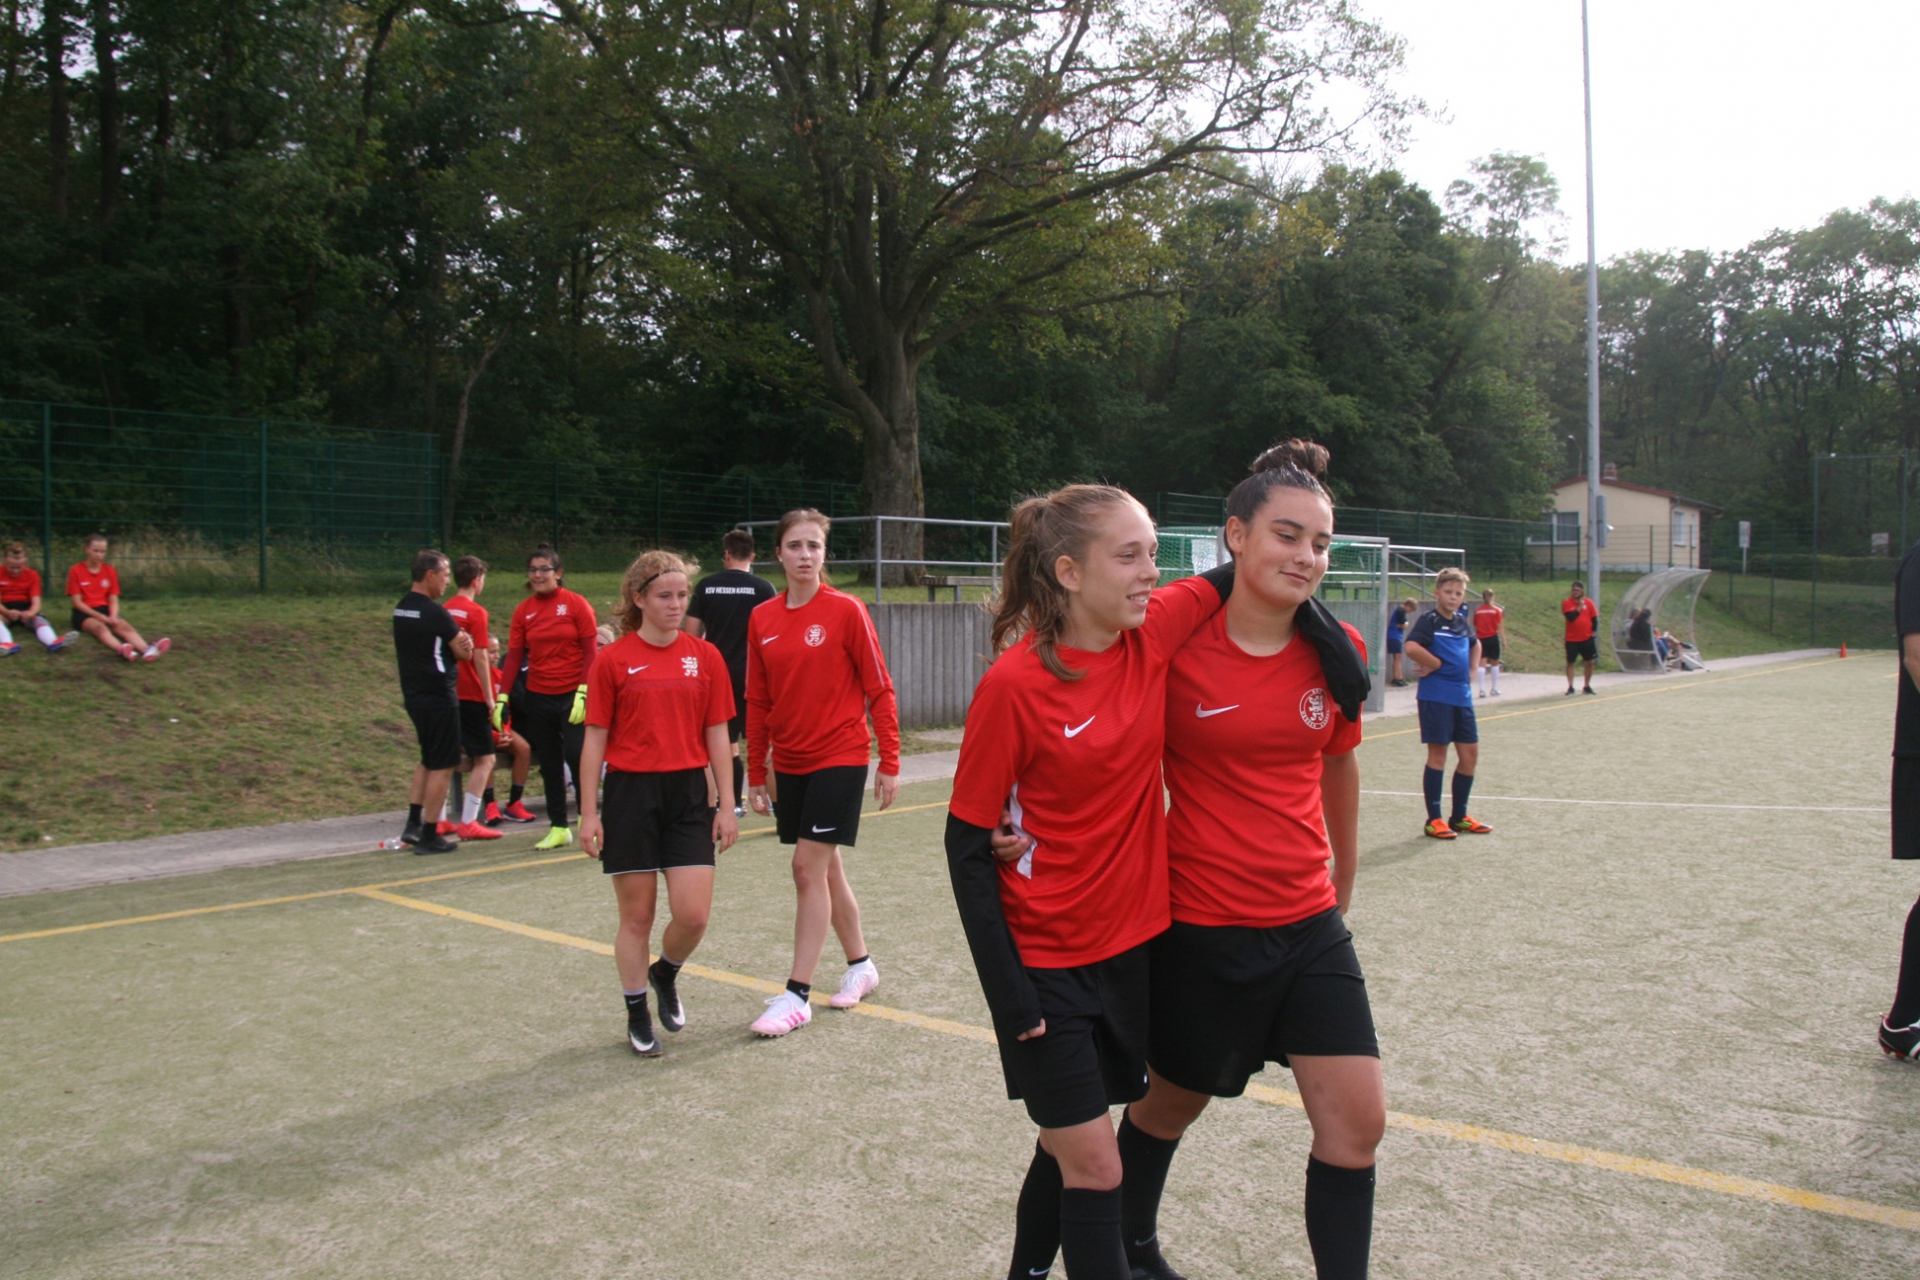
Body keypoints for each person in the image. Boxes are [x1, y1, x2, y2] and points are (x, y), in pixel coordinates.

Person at [944, 485, 1247, 1280]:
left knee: (1066, 1145)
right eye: (1130, 556)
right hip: (1044, 971)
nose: (1153, 572)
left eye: (1154, 553)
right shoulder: (1015, 686)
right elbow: (966, 848)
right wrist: (1011, 999)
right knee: (1096, 1165)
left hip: (1131, 955)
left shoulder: (1153, 634)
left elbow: (1251, 563)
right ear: (1070, 573)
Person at [743, 509, 900, 1036]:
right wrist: (756, 769)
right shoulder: (762, 619)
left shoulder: (846, 610)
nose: (805, 555)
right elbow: (758, 699)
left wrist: (890, 760)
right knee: (827, 869)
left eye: (814, 545)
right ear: (778, 553)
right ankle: (862, 965)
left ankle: (797, 996)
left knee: (806, 869)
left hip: (841, 755)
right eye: (795, 545)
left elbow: (879, 687)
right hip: (790, 762)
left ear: (824, 553)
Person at [579, 550, 740, 1057]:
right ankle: (636, 1012)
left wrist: (727, 803)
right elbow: (595, 739)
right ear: (639, 598)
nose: (675, 605)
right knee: (638, 917)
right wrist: (589, 812)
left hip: (689, 794)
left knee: (693, 916)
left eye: (682, 595)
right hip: (631, 795)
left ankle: (664, 973)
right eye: (664, 596)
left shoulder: (705, 657)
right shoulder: (613, 660)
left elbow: (718, 733)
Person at [502, 544, 598, 851]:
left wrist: (584, 690)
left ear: (558, 573)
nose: (538, 575)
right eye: (533, 570)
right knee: (550, 762)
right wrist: (503, 696)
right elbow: (514, 656)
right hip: (538, 695)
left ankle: (586, 817)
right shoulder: (524, 611)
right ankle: (558, 827)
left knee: (576, 754)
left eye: (544, 569)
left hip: (572, 694)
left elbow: (590, 651)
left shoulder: (576, 604)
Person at [684, 528, 779, 816]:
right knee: (768, 744)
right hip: (753, 677)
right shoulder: (763, 589)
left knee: (725, 745)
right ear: (753, 556)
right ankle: (781, 807)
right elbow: (776, 634)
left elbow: (691, 634)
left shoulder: (706, 586)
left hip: (716, 677)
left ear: (726, 554)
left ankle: (732, 805)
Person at [392, 549, 475, 855]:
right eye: (444, 575)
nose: (447, 581)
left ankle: (413, 823)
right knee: (444, 764)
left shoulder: (401, 609)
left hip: (414, 696)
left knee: (428, 759)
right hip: (439, 697)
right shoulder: (436, 613)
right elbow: (464, 652)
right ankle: (430, 833)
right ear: (430, 575)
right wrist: (464, 643)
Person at [1403, 566, 1491, 840]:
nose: (1453, 597)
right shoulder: (1429, 621)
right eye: (1449, 591)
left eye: (1459, 593)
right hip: (1436, 697)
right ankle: (1434, 820)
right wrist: (1436, 663)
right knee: (1438, 756)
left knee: (1470, 756)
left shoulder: (1461, 622)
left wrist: (1473, 671)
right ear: (1437, 593)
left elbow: (1476, 644)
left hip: (1462, 699)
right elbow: (1411, 647)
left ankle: (1460, 817)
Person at [440, 557, 502, 842]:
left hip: (447, 691)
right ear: (477, 580)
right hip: (470, 693)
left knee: (444, 757)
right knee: (485, 759)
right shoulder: (476, 612)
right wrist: (489, 696)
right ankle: (468, 821)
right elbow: (480, 655)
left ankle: (438, 818)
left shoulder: (443, 609)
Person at [67, 534, 169, 662]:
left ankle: (147, 650)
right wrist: (100, 617)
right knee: (100, 628)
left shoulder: (110, 571)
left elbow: (113, 599)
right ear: (86, 549)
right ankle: (122, 649)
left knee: (124, 626)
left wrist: (113, 615)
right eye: (95, 551)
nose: (99, 555)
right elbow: (77, 603)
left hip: (105, 609)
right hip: (84, 613)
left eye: (102, 551)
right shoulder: (76, 570)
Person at [0, 541, 74, 654]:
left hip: (26, 608)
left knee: (39, 620)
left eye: (19, 567)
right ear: (5, 561)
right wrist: (7, 612)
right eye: (11, 567)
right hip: (5, 609)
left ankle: (53, 642)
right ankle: (6, 644)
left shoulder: (33, 575)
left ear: (25, 562)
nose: (15, 571)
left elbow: (36, 602)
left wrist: (30, 613)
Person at [1562, 580, 1599, 695]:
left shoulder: (1589, 602)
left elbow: (1594, 618)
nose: (1575, 592)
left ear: (1582, 591)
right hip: (1572, 639)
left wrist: (1593, 631)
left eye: (1577, 590)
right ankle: (1570, 686)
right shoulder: (1567, 603)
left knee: (1590, 662)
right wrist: (1579, 607)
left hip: (1586, 638)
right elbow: (1571, 617)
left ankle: (1587, 686)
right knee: (1570, 662)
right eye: (1573, 590)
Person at [1472, 588, 1506, 697]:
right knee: (1495, 663)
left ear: (1482, 598)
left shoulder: (1478, 611)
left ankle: (1482, 690)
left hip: (1481, 638)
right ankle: (1494, 689)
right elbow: (1499, 627)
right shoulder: (1497, 610)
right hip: (1493, 638)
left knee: (1482, 664)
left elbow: (1475, 626)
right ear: (1493, 597)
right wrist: (1504, 640)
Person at [1385, 597, 1414, 687]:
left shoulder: (1400, 611)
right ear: (1408, 606)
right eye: (1411, 609)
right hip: (1394, 636)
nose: (1410, 611)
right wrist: (1407, 623)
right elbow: (1403, 626)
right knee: (1398, 657)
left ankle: (1399, 677)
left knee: (1398, 657)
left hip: (1395, 636)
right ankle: (1397, 678)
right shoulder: (1400, 611)